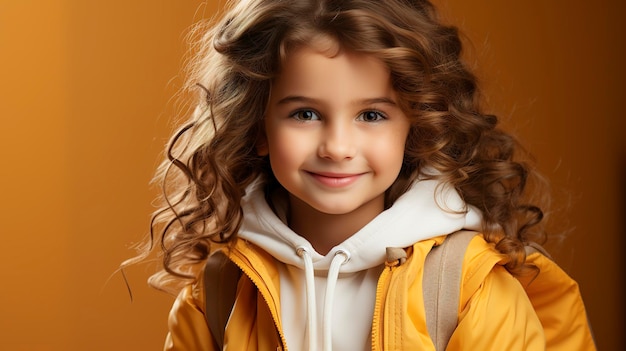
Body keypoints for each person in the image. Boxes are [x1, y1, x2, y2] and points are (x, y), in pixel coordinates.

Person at [128, 0, 596, 350]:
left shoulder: (467, 290)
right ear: (257, 127)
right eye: (305, 114)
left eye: (371, 116)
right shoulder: (221, 290)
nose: (337, 147)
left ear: (416, 127)